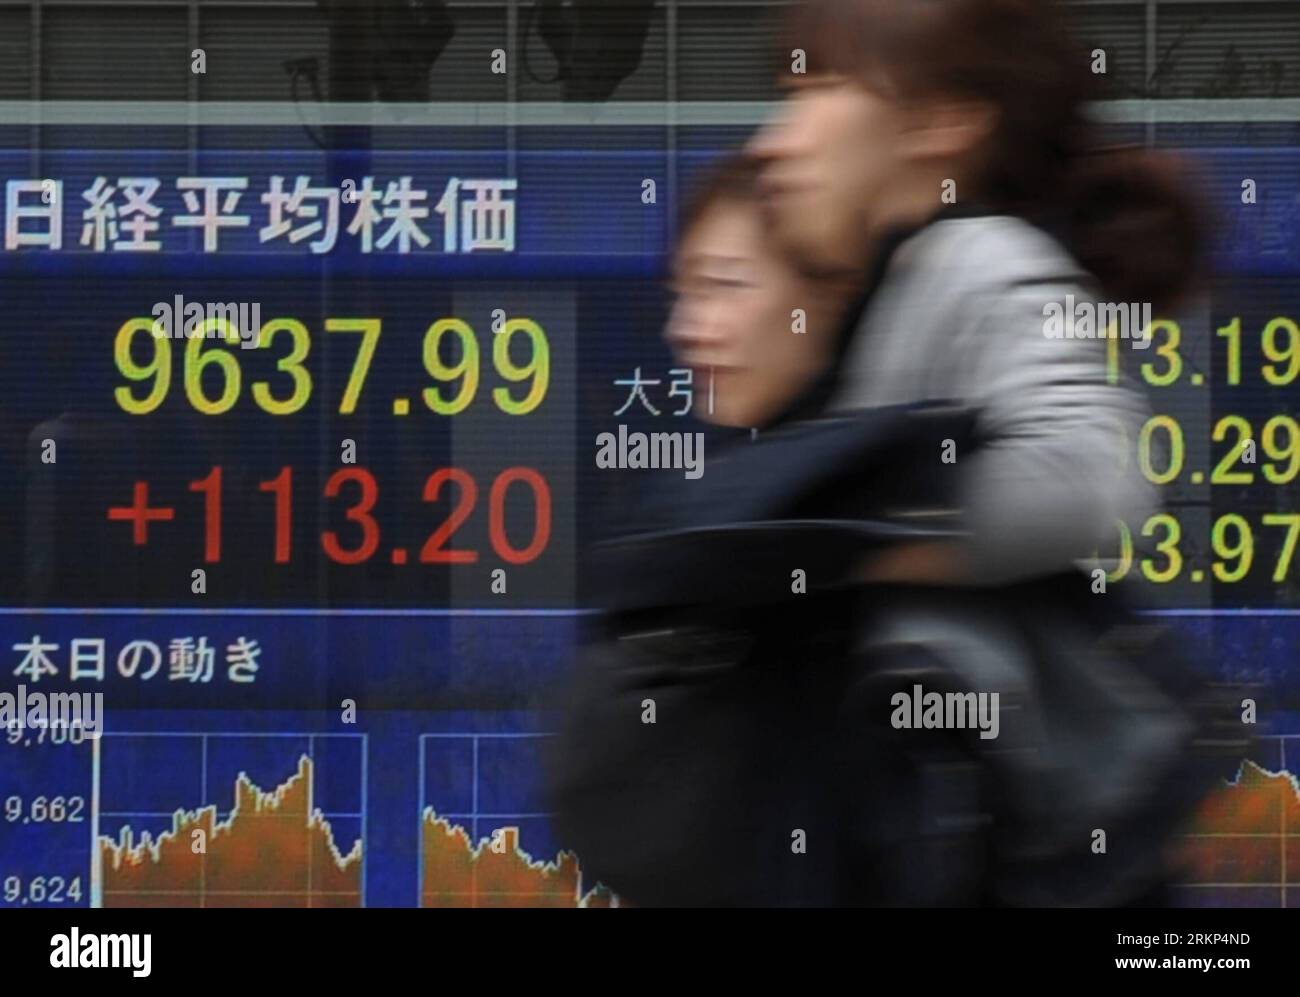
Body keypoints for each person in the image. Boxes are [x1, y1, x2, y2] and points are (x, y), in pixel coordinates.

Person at [744, 0, 1204, 587]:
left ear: (942, 119)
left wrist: (840, 536)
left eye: (816, 89)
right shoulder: (894, 280)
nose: (772, 143)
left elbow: (1099, 475)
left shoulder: (982, 256)